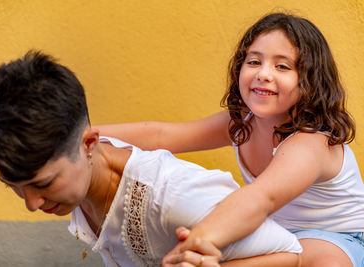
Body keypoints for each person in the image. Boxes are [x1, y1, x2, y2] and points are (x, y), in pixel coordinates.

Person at [0, 51, 304, 267]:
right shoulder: (79, 169)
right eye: (14, 186)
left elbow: (290, 253)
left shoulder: (172, 197)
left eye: (43, 184)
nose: (31, 203)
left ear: (89, 145)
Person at [96, 12, 364, 267]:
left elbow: (261, 198)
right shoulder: (241, 123)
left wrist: (200, 241)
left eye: (282, 66)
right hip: (275, 232)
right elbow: (161, 135)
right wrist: (86, 135)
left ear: (310, 82)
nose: (263, 73)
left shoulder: (310, 142)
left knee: (317, 261)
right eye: (254, 61)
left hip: (339, 238)